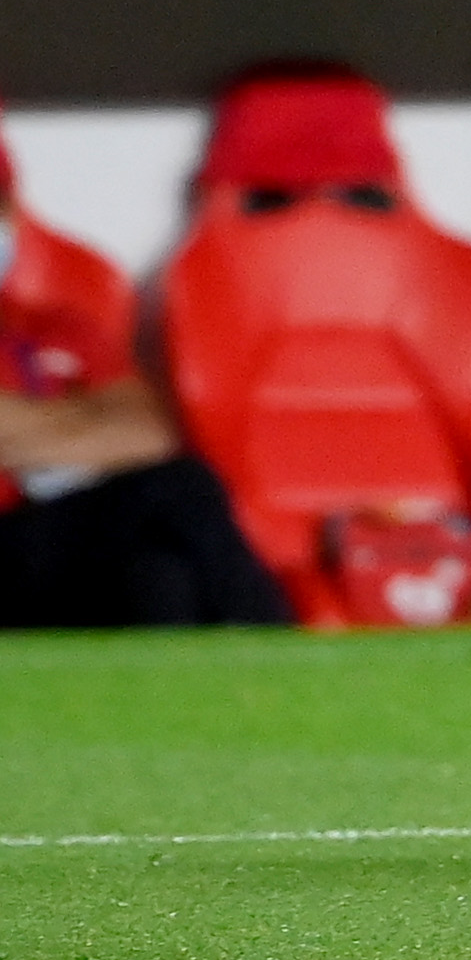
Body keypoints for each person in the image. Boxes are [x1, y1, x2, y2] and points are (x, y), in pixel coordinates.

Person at [0, 125, 291, 629]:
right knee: (179, 491)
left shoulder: (55, 326)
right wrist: (77, 425)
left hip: (67, 538)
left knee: (160, 567)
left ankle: (210, 702)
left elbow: (147, 433)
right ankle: (290, 668)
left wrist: (23, 431)